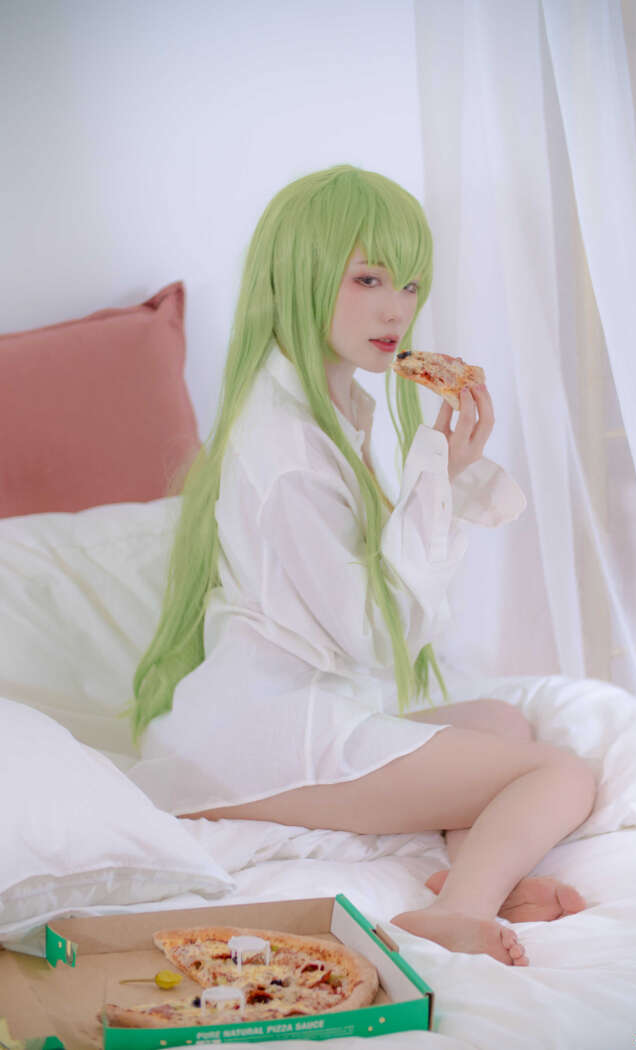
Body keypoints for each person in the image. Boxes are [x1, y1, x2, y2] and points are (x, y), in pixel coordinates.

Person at [127, 164, 596, 967]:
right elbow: (374, 636)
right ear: (299, 274)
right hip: (264, 730)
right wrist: (435, 483)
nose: (396, 309)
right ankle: (458, 910)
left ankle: (477, 881)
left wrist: (443, 475)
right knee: (562, 775)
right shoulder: (285, 447)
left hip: (298, 707)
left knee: (501, 725)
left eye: (409, 284)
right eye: (368, 278)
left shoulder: (331, 412)